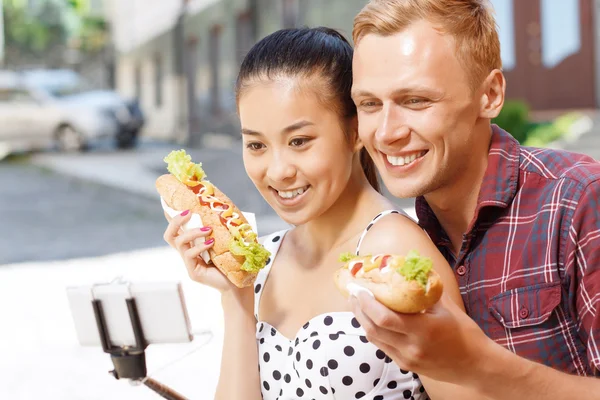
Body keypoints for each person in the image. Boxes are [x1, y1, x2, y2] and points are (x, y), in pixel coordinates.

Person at [163, 27, 485, 399]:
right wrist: (236, 297)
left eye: (299, 141)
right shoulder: (264, 261)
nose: (278, 170)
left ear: (355, 132)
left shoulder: (394, 255)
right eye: (256, 144)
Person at [349, 0, 600, 398]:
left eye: (416, 100)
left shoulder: (579, 201)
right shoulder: (402, 244)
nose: (385, 133)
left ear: (491, 95)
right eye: (369, 104)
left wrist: (478, 364)